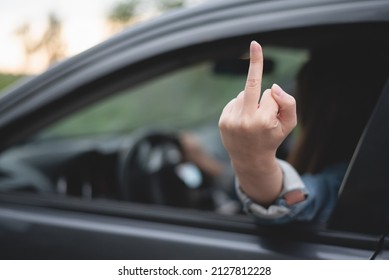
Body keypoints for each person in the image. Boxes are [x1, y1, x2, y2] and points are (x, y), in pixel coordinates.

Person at [219, 41, 388, 224]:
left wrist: (253, 160)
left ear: (320, 107)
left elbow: (295, 201)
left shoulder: (350, 179)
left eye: (299, 91)